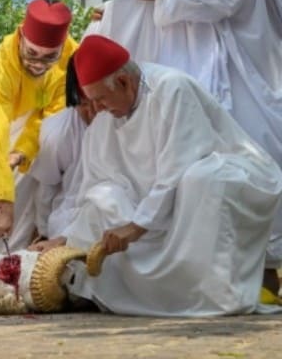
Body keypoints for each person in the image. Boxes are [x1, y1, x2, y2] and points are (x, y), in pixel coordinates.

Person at [59, 34, 282, 316]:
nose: (98, 110)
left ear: (124, 82)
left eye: (100, 100)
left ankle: (218, 296)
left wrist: (135, 226)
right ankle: (130, 295)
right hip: (156, 203)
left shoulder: (172, 88)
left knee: (203, 179)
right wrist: (67, 236)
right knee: (103, 199)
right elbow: (96, 183)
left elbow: (180, 166)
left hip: (227, 178)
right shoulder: (107, 118)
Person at [130, 0, 282, 289]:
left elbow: (216, 0)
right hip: (207, 94)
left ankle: (268, 278)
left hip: (245, 86)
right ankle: (237, 281)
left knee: (258, 175)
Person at [0, 0, 77, 240]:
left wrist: (21, 152)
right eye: (31, 54)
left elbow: (52, 119)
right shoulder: (0, 66)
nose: (38, 64)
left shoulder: (71, 60)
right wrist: (4, 204)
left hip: (33, 140)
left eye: (50, 57)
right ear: (20, 37)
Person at [7, 57, 96, 253]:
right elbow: (46, 187)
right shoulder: (57, 131)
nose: (92, 112)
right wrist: (44, 232)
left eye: (96, 102)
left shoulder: (118, 116)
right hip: (70, 216)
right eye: (83, 105)